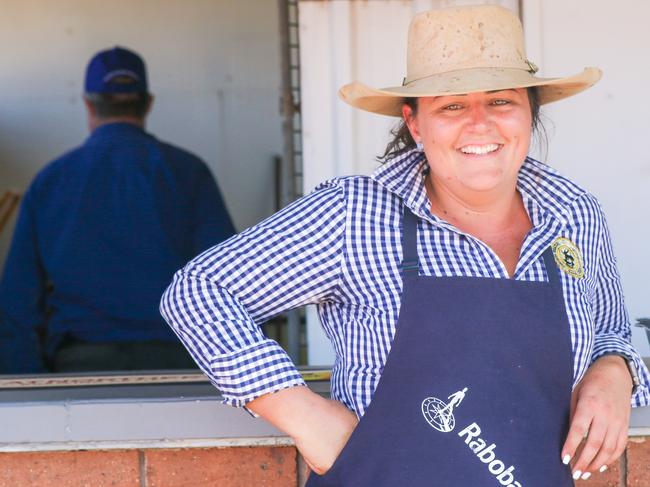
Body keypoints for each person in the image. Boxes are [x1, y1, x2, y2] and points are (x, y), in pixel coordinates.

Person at [160, 6, 649, 485]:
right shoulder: (355, 214)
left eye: (501, 101)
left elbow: (607, 326)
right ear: (415, 124)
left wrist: (613, 370)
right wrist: (300, 411)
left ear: (529, 113)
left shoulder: (574, 212)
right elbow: (199, 292)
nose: (480, 123)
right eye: (452, 105)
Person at [0, 46, 235, 373]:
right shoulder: (189, 172)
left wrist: (28, 383)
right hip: (178, 363)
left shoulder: (51, 181)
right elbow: (227, 277)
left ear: (87, 103)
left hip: (80, 366)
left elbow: (17, 298)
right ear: (148, 102)